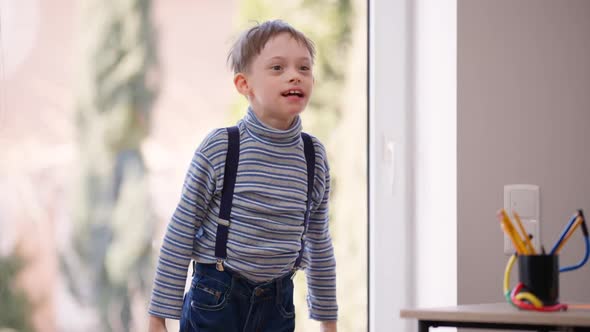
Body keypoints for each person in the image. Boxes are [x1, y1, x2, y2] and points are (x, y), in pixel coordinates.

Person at [147, 20, 337, 332]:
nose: (295, 75)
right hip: (216, 300)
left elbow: (319, 244)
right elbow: (180, 234)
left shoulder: (313, 156)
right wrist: (158, 319)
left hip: (278, 304)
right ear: (243, 84)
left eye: (304, 68)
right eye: (277, 68)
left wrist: (328, 323)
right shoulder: (221, 147)